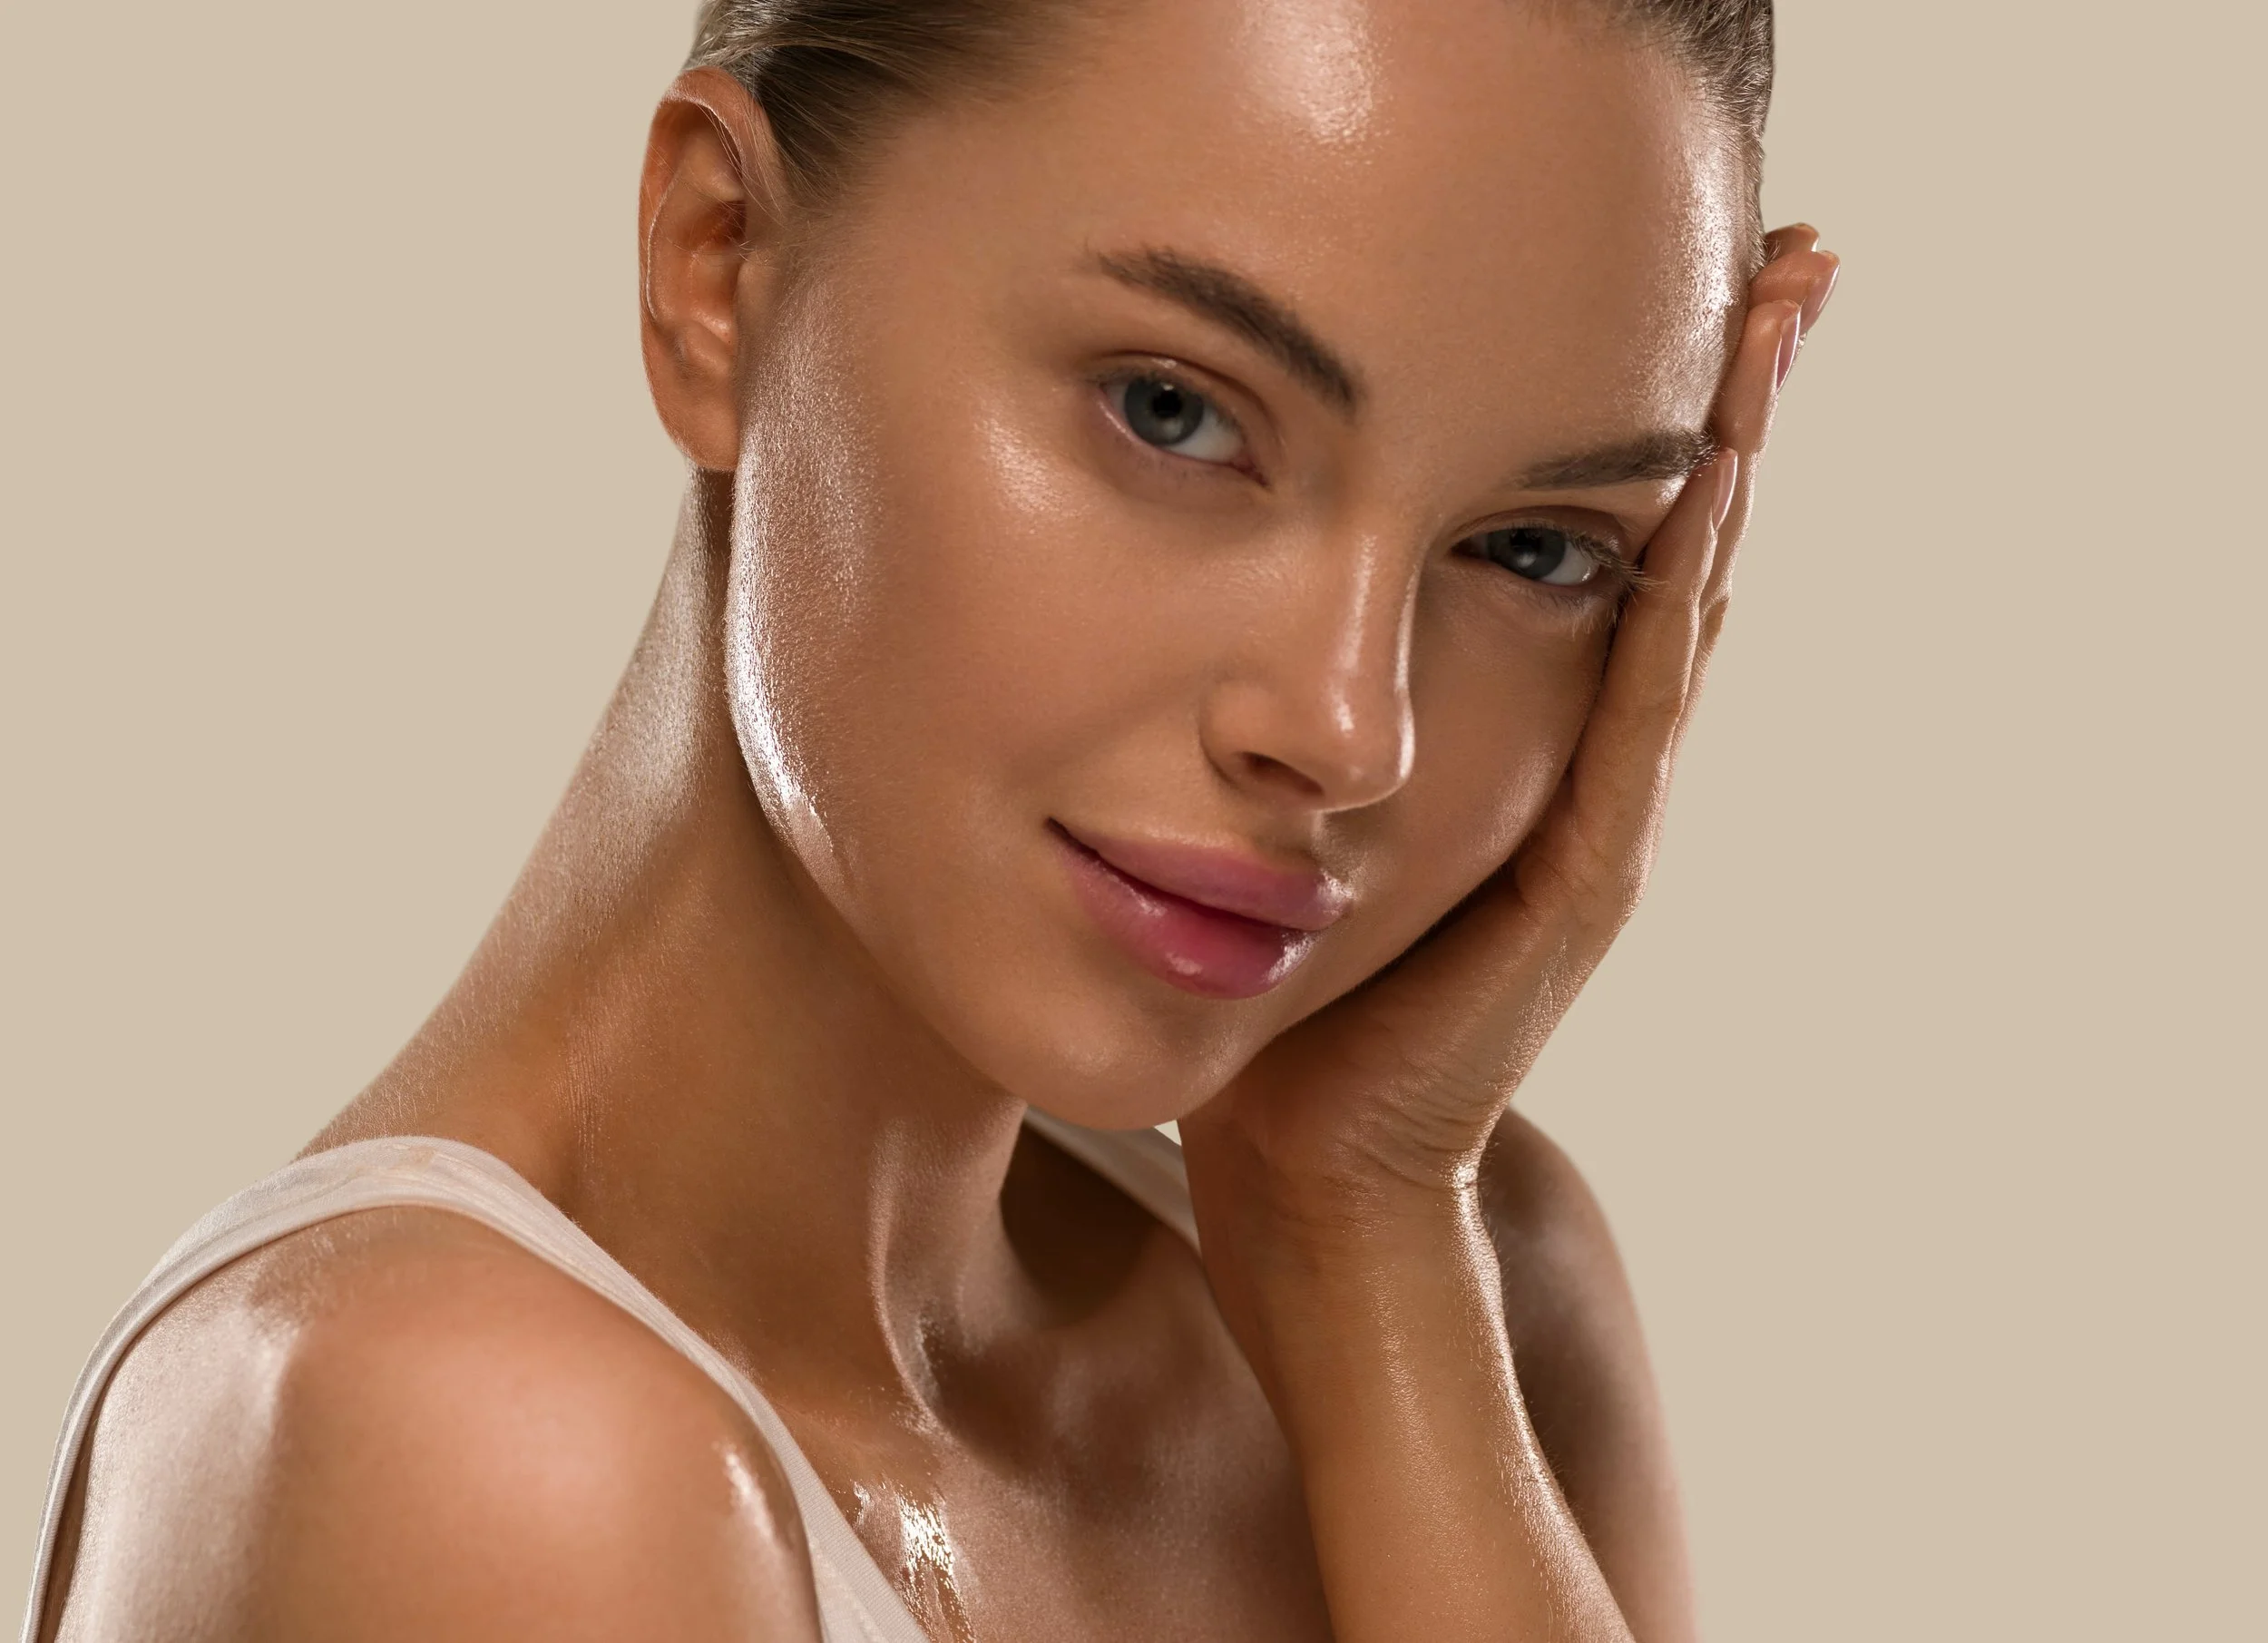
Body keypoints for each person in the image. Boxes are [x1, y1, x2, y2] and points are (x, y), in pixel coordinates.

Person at [23, 0, 1838, 1637]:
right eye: (1172, 410)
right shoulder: (465, 1438)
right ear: (714, 266)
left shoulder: (1464, 1285)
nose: (1350, 727)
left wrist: (1361, 1229)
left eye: (1536, 547)